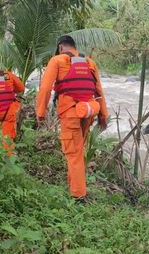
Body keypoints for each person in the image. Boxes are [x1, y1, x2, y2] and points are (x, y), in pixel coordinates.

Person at [36, 35, 108, 200]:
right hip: (88, 112)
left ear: (61, 47)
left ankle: (78, 196)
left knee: (73, 154)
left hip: (70, 114)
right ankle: (74, 186)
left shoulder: (57, 60)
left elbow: (46, 88)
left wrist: (40, 113)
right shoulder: (89, 62)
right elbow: (99, 91)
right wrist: (103, 115)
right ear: (74, 47)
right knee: (77, 152)